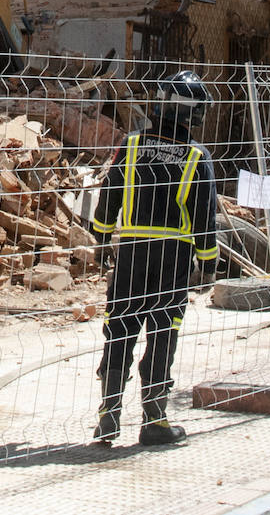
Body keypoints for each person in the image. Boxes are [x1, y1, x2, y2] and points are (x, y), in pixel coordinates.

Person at [89, 69, 219, 446]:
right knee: (163, 333)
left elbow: (109, 192)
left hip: (129, 254)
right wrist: (207, 264)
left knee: (119, 330)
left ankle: (107, 419)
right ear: (192, 114)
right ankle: (155, 420)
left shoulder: (130, 145)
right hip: (171, 259)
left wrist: (101, 237)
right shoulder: (196, 157)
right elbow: (203, 218)